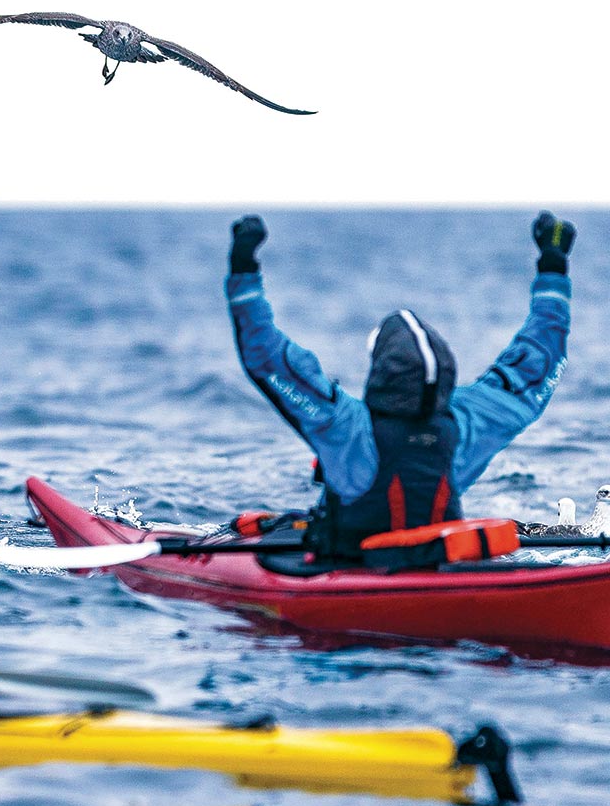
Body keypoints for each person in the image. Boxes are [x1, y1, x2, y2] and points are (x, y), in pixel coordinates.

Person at [226, 211, 575, 557]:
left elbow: (270, 360)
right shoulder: (467, 425)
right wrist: (553, 268)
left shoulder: (348, 429)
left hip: (349, 574)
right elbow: (538, 359)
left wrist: (244, 271)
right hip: (442, 572)